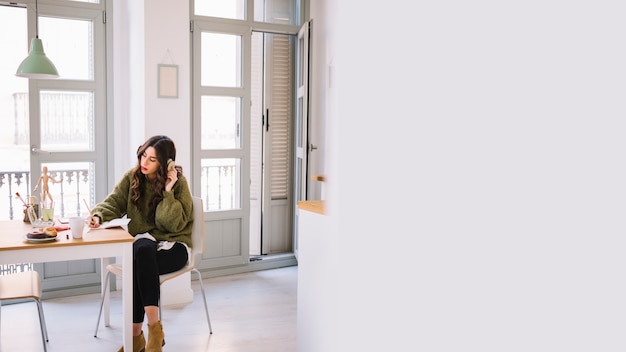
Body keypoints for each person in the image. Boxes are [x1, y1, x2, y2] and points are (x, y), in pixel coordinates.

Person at [89, 135, 193, 352]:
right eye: (144, 155)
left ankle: (136, 339)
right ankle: (154, 331)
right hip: (145, 247)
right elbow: (113, 202)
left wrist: (167, 191)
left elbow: (173, 225)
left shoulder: (179, 184)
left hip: (174, 247)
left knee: (139, 261)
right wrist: (98, 216)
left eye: (152, 159)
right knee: (142, 250)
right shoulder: (133, 176)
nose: (144, 162)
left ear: (166, 163)